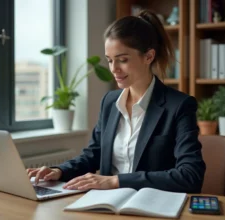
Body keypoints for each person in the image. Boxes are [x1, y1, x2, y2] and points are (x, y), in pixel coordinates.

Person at [27, 10, 206, 193]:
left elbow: (190, 176)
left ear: (148, 56)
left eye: (122, 60)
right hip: (106, 203)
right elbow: (93, 154)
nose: (114, 69)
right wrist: (59, 170)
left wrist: (115, 181)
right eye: (110, 60)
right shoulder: (110, 102)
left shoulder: (179, 106)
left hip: (151, 205)